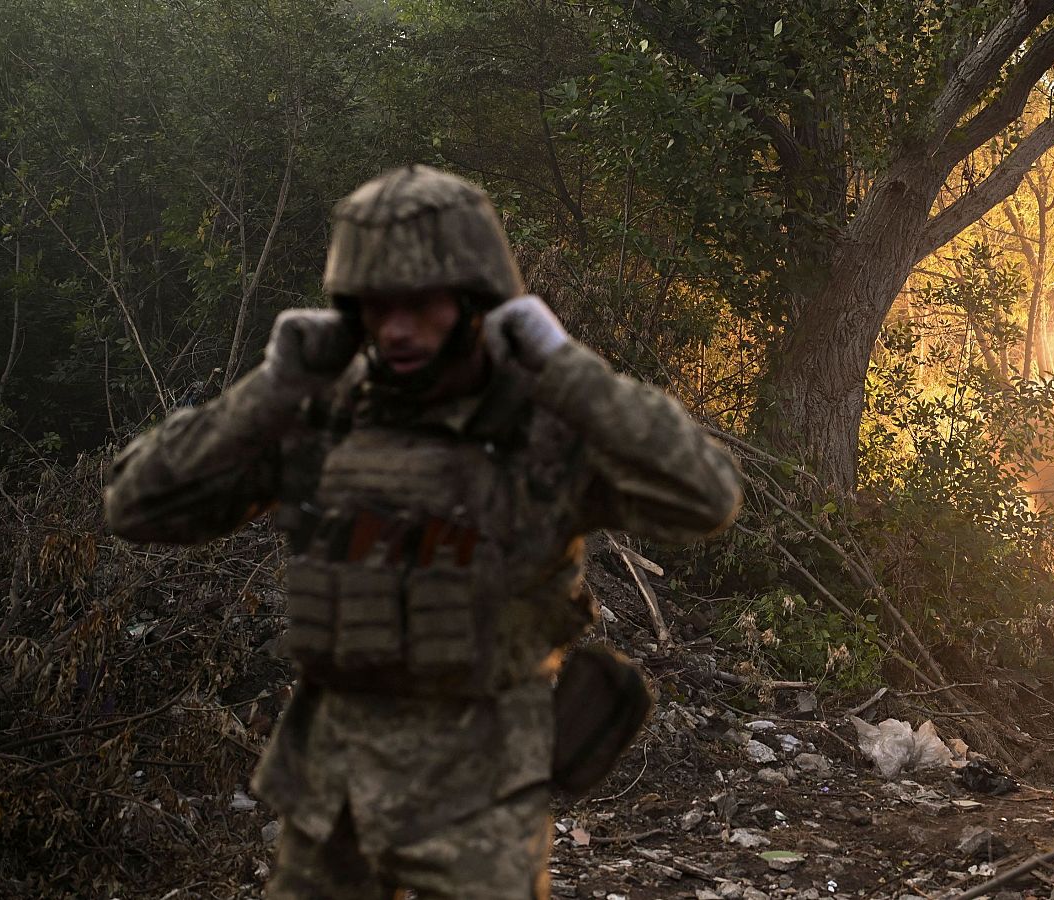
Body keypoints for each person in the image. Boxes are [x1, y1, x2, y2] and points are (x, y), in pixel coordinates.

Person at [104, 165, 742, 898]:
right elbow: (136, 505)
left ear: (476, 302)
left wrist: (565, 367)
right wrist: (270, 389)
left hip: (479, 796)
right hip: (332, 786)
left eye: (423, 304)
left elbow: (706, 495)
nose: (397, 329)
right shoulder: (327, 418)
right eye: (376, 307)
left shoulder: (541, 429)